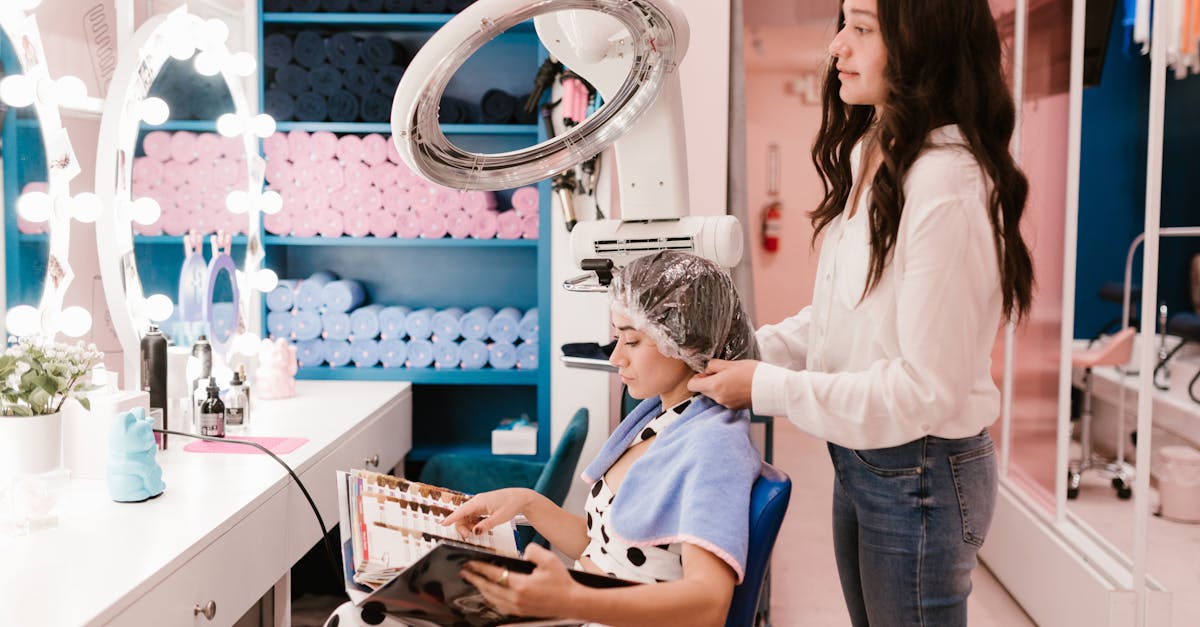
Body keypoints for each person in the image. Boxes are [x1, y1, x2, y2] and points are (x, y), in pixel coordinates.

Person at [688, 1, 1034, 625]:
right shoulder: (877, 154)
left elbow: (925, 388)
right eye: (843, 24)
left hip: (919, 470)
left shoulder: (944, 184)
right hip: (864, 455)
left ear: (921, 43)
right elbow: (840, 320)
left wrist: (765, 387)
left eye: (863, 29)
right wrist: (747, 350)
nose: (836, 47)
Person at [444, 251, 762, 626]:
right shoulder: (660, 422)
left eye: (631, 342)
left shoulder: (712, 446)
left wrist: (571, 601)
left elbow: (709, 604)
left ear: (687, 341)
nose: (614, 358)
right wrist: (527, 502)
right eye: (616, 339)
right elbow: (613, 552)